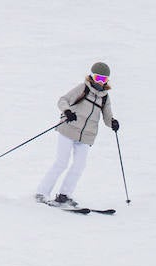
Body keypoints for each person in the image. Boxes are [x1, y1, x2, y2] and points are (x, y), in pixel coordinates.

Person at [35, 62, 119, 208]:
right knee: (61, 162)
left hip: (86, 136)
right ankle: (42, 193)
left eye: (104, 79)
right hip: (68, 130)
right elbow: (63, 100)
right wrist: (67, 111)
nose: (100, 82)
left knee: (79, 166)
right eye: (98, 78)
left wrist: (113, 122)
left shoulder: (105, 97)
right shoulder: (83, 88)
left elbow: (107, 116)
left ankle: (64, 195)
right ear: (92, 76)